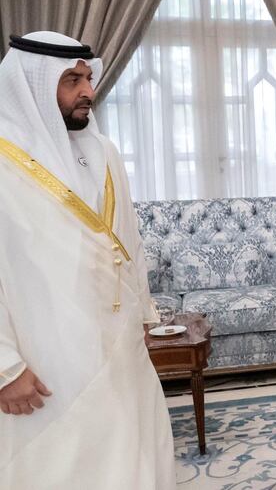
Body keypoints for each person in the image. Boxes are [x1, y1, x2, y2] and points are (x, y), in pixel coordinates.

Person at [0, 31, 175, 489]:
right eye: (71, 80)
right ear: (32, 85)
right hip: (45, 357)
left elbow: (128, 243)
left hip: (119, 346)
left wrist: (144, 314)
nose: (88, 92)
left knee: (133, 452)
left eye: (88, 78)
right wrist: (4, 368)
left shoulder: (104, 152)